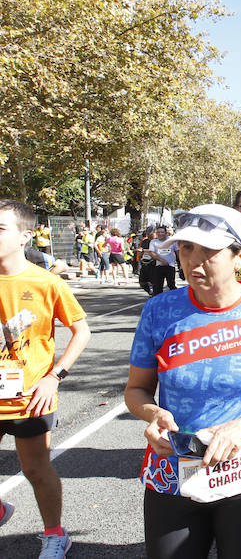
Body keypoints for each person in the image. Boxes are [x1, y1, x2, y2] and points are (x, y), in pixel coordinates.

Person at [124, 204, 241, 559]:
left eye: (209, 251)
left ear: (239, 256)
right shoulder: (159, 311)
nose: (193, 260)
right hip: (173, 473)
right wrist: (151, 414)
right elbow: (136, 389)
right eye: (187, 248)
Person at [0, 200, 91, 559]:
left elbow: (81, 332)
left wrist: (55, 376)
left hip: (29, 396)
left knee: (35, 470)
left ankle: (55, 534)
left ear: (25, 236)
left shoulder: (45, 283)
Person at [148, 226, 176, 296]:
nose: (160, 234)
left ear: (166, 233)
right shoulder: (153, 242)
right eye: (158, 232)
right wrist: (161, 260)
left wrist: (181, 264)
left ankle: (176, 300)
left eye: (162, 232)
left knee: (171, 284)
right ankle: (157, 302)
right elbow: (151, 253)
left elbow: (178, 252)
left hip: (170, 266)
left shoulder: (172, 240)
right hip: (159, 266)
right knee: (157, 286)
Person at [136, 228, 155, 295]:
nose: (149, 235)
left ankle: (155, 294)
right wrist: (140, 255)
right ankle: (150, 292)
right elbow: (142, 250)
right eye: (148, 234)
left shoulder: (157, 241)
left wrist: (144, 250)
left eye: (151, 233)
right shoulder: (145, 241)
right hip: (145, 262)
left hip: (154, 263)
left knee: (154, 281)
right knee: (142, 282)